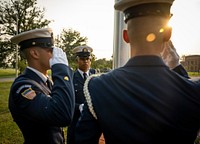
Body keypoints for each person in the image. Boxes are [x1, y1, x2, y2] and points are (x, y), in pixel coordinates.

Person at [75, 0, 200, 144]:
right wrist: (177, 67)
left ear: (126, 36)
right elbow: (186, 93)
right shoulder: (194, 92)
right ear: (168, 34)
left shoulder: (98, 87)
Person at [8, 28, 75, 144]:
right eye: (50, 50)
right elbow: (63, 114)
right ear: (34, 53)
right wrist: (61, 69)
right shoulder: (24, 86)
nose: (54, 55)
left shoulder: (45, 82)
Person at [67, 45, 97, 144]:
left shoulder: (96, 76)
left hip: (93, 122)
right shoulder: (71, 77)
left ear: (91, 60)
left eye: (88, 58)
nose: (85, 61)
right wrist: (80, 107)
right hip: (76, 121)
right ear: (77, 60)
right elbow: (68, 101)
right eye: (82, 59)